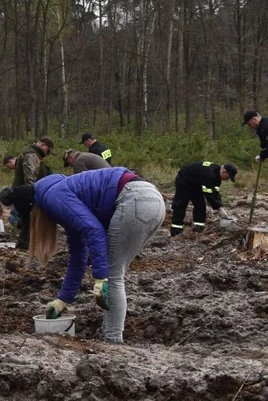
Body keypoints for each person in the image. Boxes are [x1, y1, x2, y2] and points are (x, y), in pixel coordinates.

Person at [31, 167, 165, 343]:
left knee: (112, 275)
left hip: (134, 200)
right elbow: (78, 256)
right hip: (153, 201)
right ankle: (109, 334)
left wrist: (100, 277)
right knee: (115, 274)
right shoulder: (69, 192)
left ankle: (113, 340)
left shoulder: (52, 197)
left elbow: (94, 230)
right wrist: (62, 300)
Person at [169, 161, 238, 236]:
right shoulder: (209, 174)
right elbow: (209, 194)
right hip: (184, 180)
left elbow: (215, 193)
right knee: (180, 205)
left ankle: (198, 229)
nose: (227, 179)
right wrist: (219, 209)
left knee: (200, 206)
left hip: (197, 184)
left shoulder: (217, 176)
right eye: (228, 177)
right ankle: (176, 231)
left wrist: (220, 206)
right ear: (224, 172)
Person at [12, 137, 54, 250]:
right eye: (48, 150)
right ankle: (23, 246)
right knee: (29, 221)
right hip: (26, 193)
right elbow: (30, 178)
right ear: (43, 145)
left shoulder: (33, 153)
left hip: (23, 192)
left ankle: (24, 246)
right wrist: (34, 196)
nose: (48, 153)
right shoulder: (32, 155)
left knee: (28, 221)